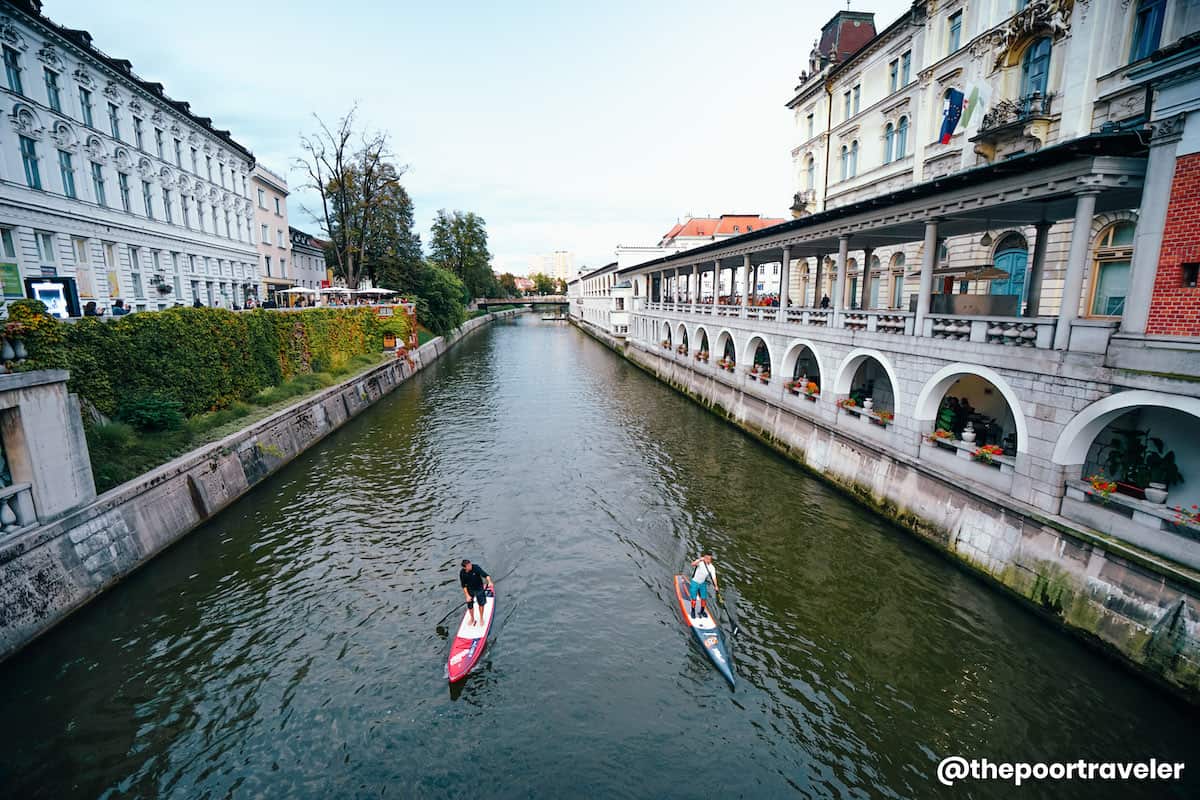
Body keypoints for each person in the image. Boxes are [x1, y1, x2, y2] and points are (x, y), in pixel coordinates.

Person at [459, 559, 493, 627]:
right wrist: (467, 595)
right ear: (464, 567)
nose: (470, 566)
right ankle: (472, 618)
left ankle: (481, 618)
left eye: (470, 564)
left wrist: (489, 582)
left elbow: (486, 575)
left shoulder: (476, 567)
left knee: (481, 604)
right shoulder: (462, 573)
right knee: (470, 605)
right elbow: (463, 585)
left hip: (479, 588)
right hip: (470, 590)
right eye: (468, 566)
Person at [687, 553, 720, 619]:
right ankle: (693, 611)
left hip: (702, 583)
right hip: (695, 582)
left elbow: (714, 578)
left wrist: (716, 586)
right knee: (694, 599)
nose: (708, 560)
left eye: (710, 559)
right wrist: (699, 559)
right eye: (707, 558)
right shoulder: (700, 562)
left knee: (704, 599)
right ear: (704, 558)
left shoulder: (712, 567)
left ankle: (702, 611)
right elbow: (692, 564)